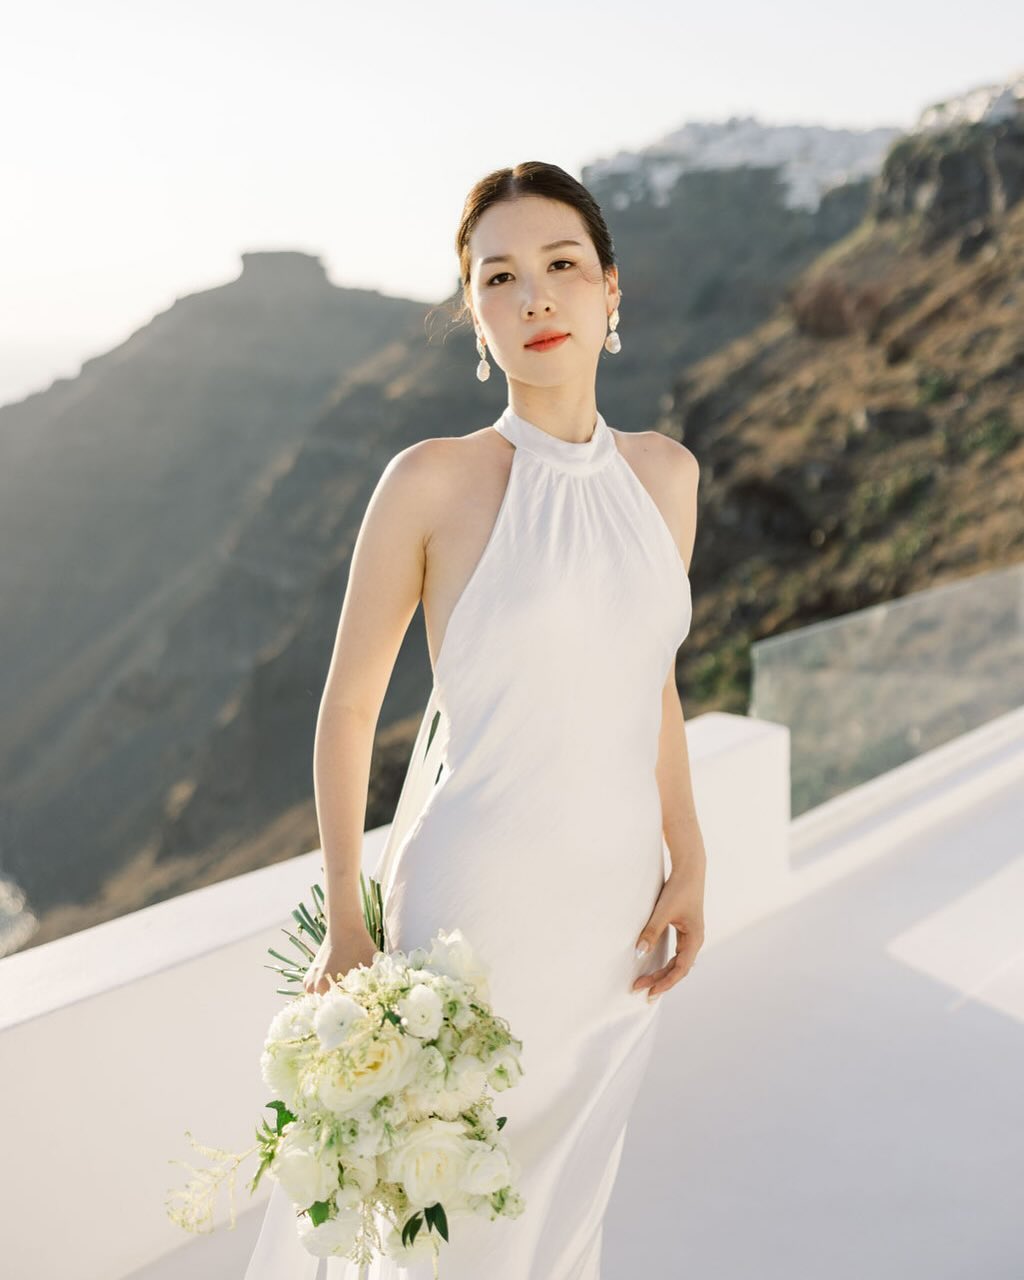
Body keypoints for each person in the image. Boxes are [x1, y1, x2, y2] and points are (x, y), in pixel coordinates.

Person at [245, 160, 707, 1279]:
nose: (536, 297)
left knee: (562, 1221)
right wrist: (350, 922)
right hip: (473, 925)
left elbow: (647, 680)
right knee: (447, 1227)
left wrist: (687, 856)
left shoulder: (666, 475)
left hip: (612, 920)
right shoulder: (433, 480)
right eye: (501, 276)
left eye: (561, 266)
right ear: (476, 316)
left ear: (610, 293)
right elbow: (349, 705)